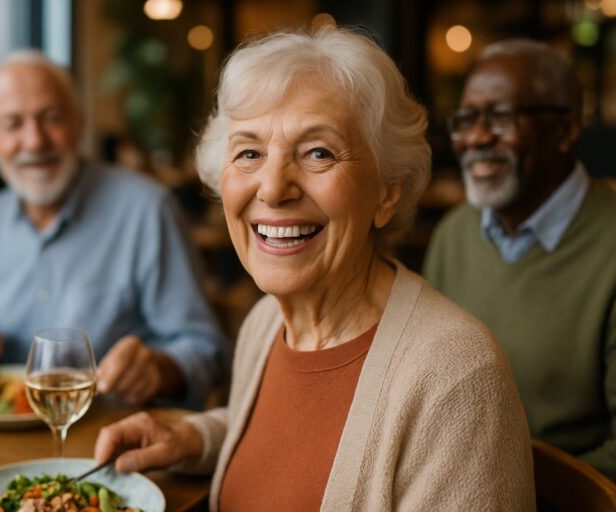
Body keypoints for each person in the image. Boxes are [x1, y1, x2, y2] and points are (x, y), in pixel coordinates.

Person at [92, 28, 535, 510]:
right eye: (249, 153)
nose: (273, 187)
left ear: (387, 191)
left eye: (318, 152)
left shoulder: (456, 375)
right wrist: (193, 437)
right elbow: (297, 444)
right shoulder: (265, 324)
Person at [0, 51, 228, 409]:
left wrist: (159, 369)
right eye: (12, 124)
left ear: (78, 121)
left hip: (113, 439)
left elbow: (207, 351)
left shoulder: (146, 209)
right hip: (1, 437)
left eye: (51, 118)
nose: (34, 141)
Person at [423, 39, 616, 481]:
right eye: (467, 119)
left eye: (502, 117)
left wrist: (507, 492)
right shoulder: (453, 234)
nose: (476, 137)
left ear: (564, 131)